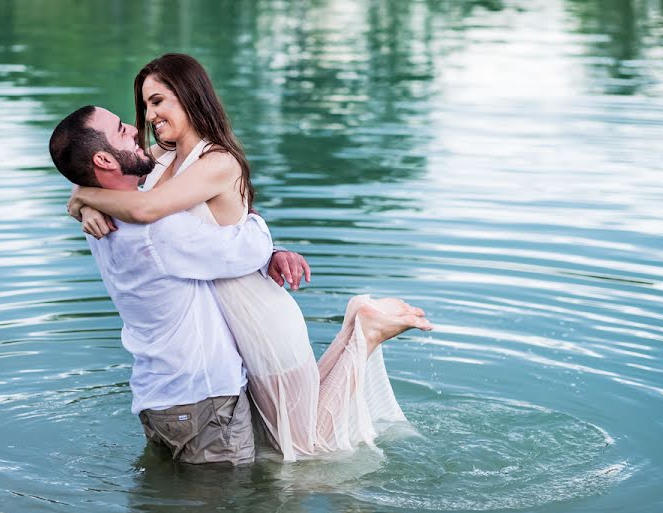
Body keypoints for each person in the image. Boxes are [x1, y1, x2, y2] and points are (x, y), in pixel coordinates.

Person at [67, 54, 433, 462]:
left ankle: (363, 333)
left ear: (189, 97)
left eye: (158, 101)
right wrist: (84, 200)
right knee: (282, 442)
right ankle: (359, 330)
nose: (149, 116)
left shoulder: (218, 161)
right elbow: (119, 183)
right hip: (225, 328)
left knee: (304, 447)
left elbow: (148, 211)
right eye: (147, 104)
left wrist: (85, 197)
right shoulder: (160, 161)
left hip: (256, 313)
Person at [50, 104, 299, 466]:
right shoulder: (156, 229)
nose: (136, 130)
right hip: (203, 401)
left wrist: (83, 199)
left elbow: (92, 177)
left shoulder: (100, 217)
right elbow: (250, 249)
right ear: (104, 159)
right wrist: (258, 226)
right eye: (121, 130)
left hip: (156, 398)